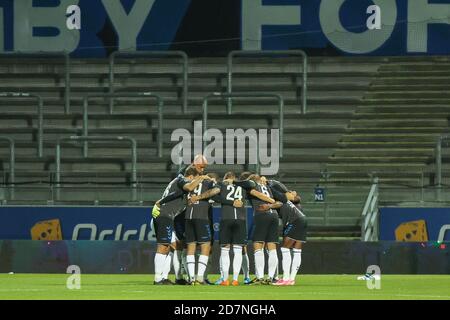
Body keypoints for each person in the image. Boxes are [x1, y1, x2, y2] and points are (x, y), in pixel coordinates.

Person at [152, 166, 208, 285]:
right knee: (163, 246)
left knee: (174, 246)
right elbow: (189, 186)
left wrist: (160, 201)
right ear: (191, 177)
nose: (197, 183)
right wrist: (202, 178)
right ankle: (158, 279)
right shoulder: (182, 180)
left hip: (165, 215)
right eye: (196, 179)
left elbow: (175, 194)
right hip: (163, 216)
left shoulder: (179, 185)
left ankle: (167, 277)